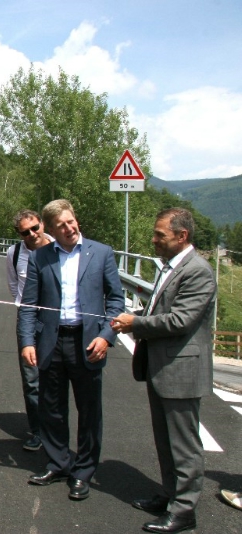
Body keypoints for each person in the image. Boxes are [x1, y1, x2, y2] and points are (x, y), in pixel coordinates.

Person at [111, 208, 216, 533]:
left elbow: (180, 320)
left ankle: (184, 511)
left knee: (183, 445)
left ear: (182, 236)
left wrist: (136, 323)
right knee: (165, 440)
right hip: (163, 368)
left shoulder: (197, 271)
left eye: (160, 235)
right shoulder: (170, 266)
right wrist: (137, 318)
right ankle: (171, 495)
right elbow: (161, 307)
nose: (153, 240)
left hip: (182, 371)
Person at [18, 199, 124, 501]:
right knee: (51, 407)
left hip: (87, 342)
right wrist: (27, 341)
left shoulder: (101, 253)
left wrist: (106, 337)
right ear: (51, 230)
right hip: (51, 342)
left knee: (89, 410)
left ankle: (83, 471)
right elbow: (29, 305)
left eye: (71, 221)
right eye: (61, 225)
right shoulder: (40, 258)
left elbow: (116, 300)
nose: (69, 228)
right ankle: (59, 463)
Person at [6, 209, 52, 452]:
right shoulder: (14, 254)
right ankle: (38, 431)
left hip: (56, 322)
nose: (32, 234)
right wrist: (25, 311)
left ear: (42, 224)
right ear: (19, 234)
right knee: (31, 379)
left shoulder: (58, 247)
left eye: (35, 228)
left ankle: (56, 431)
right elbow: (14, 285)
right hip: (29, 322)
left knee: (55, 378)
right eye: (25, 232)